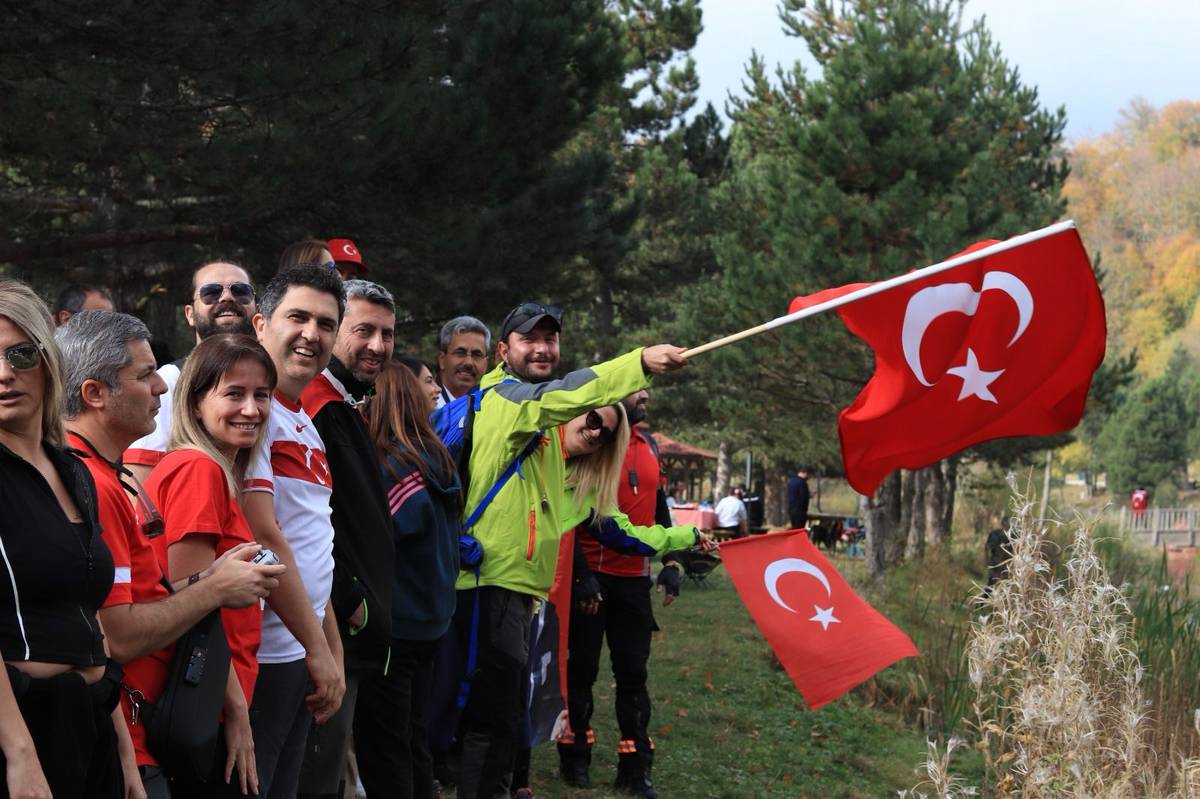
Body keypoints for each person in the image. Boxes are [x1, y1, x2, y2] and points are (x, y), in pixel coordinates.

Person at [449, 300, 689, 799]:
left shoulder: (538, 434)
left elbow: (606, 521)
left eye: (551, 339)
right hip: (488, 582)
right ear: (503, 350)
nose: (542, 348)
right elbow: (567, 394)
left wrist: (684, 538)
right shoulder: (510, 401)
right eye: (529, 339)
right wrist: (640, 362)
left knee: (503, 720)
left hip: (512, 589)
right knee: (488, 723)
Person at [57, 312, 283, 799]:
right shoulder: (93, 483)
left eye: (262, 394)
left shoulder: (104, 476)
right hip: (139, 739)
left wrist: (210, 582)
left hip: (144, 734)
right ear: (95, 394)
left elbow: (142, 598)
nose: (162, 386)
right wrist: (214, 588)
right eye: (143, 375)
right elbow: (117, 635)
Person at [145, 333, 292, 798]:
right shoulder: (198, 470)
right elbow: (190, 603)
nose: (251, 409)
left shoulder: (212, 471)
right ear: (194, 402)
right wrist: (237, 715)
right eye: (233, 393)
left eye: (261, 395)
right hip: (206, 704)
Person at [0, 280, 123, 798]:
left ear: (48, 359)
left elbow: (91, 617)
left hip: (90, 722)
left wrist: (125, 760)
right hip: (22, 727)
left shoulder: (73, 471)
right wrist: (20, 753)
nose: (4, 374)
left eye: (20, 353)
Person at [242, 265, 347, 799]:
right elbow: (265, 535)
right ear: (260, 324)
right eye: (298, 317)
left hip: (299, 651)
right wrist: (319, 648)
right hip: (263, 652)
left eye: (326, 324)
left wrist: (330, 650)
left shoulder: (301, 417)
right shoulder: (250, 412)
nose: (312, 334)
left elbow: (311, 546)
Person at [296, 280, 396, 799]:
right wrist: (350, 600)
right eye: (363, 331)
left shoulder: (344, 404)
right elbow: (303, 524)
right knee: (314, 776)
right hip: (332, 635)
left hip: (353, 637)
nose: (377, 346)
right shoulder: (316, 405)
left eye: (387, 334)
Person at [559, 390, 679, 797]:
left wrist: (672, 563)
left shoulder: (650, 446)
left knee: (634, 675)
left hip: (633, 582)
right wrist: (580, 576)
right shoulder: (592, 441)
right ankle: (574, 759)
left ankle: (636, 767)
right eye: (637, 388)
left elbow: (660, 507)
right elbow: (567, 514)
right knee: (582, 673)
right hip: (590, 578)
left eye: (648, 389)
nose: (645, 395)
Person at [356, 361, 462, 798]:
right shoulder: (435, 458)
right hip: (432, 622)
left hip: (397, 628)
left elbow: (382, 535)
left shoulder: (396, 469)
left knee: (386, 745)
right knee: (413, 733)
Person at [126, 260, 258, 482]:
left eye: (241, 291)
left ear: (256, 308)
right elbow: (138, 481)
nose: (227, 298)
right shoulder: (170, 380)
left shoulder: (269, 385)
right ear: (189, 314)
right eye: (211, 292)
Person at [435, 316, 490, 408]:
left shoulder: (490, 407)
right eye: (460, 353)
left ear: (485, 363)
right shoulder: (424, 406)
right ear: (442, 359)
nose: (469, 363)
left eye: (477, 354)